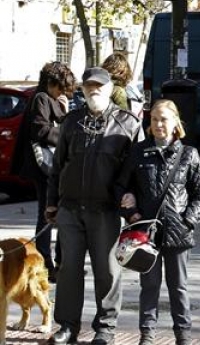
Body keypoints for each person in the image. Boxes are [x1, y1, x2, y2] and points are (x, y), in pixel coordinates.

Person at [45, 66, 142, 345]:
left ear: (110, 88)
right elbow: (57, 167)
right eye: (89, 86)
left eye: (99, 85)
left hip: (106, 211)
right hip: (71, 209)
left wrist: (134, 206)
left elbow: (138, 173)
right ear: (82, 89)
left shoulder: (128, 124)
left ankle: (105, 329)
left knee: (108, 272)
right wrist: (52, 203)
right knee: (68, 269)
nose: (94, 90)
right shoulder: (71, 122)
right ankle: (67, 326)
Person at [118, 99, 200, 345]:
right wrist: (131, 212)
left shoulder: (189, 154)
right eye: (155, 119)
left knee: (178, 287)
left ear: (176, 123)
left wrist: (188, 221)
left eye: (164, 119)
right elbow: (121, 187)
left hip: (178, 231)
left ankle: (183, 335)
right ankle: (147, 335)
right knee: (149, 286)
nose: (159, 124)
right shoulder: (138, 151)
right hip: (146, 233)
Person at [11, 61, 76, 281]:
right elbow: (40, 129)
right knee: (47, 213)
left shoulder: (48, 98)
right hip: (44, 167)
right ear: (50, 83)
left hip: (48, 166)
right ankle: (46, 264)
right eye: (59, 88)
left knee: (51, 212)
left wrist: (64, 111)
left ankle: (54, 262)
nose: (62, 92)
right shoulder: (41, 98)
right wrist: (67, 135)